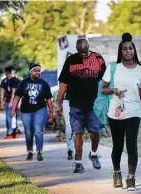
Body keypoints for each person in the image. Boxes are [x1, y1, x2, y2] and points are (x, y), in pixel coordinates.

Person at [101, 32, 141, 191]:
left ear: (134, 50)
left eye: (131, 48)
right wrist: (113, 90)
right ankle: (117, 173)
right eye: (125, 49)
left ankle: (131, 178)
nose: (128, 51)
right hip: (115, 112)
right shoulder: (113, 68)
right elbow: (103, 89)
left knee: (131, 145)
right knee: (117, 146)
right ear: (120, 52)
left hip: (133, 112)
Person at [57, 37, 106, 173]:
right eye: (80, 52)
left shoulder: (98, 59)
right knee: (77, 133)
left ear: (88, 47)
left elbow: (106, 80)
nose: (83, 54)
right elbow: (63, 84)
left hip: (93, 105)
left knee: (95, 132)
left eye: (85, 51)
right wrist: (59, 103)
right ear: (77, 50)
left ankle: (93, 154)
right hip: (75, 104)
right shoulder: (71, 60)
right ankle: (78, 163)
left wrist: (107, 100)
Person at [11, 63, 53, 161]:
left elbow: (49, 100)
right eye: (35, 70)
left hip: (40, 110)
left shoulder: (44, 83)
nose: (37, 72)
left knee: (38, 131)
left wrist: (51, 113)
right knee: (28, 132)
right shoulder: (23, 82)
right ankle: (30, 151)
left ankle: (39, 151)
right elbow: (17, 97)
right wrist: (13, 110)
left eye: (39, 70)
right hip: (26, 111)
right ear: (31, 72)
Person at [0, 66, 21, 139]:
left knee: (11, 118)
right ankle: (14, 131)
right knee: (8, 118)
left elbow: (14, 92)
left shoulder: (15, 80)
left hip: (14, 101)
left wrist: (11, 102)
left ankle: (11, 132)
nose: (6, 74)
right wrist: (2, 102)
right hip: (7, 101)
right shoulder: (4, 81)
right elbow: (2, 92)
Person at [63, 91, 74, 160]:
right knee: (69, 126)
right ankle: (70, 149)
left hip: (81, 100)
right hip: (67, 100)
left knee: (70, 126)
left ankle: (94, 152)